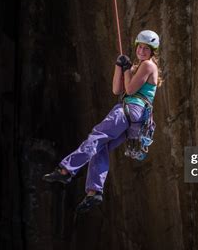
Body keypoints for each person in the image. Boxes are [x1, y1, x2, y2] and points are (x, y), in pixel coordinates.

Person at [43, 30, 163, 213]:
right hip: (135, 121)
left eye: (146, 48)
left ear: (153, 51)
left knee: (96, 137)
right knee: (102, 147)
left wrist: (128, 71)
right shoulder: (137, 68)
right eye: (140, 47)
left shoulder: (147, 65)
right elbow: (117, 89)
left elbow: (129, 91)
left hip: (129, 111)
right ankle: (94, 191)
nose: (141, 51)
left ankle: (65, 170)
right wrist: (119, 67)